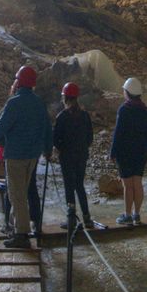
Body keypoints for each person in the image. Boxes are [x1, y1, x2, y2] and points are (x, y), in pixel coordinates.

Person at [0, 66, 52, 249]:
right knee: (22, 191)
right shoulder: (39, 103)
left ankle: (21, 234)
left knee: (17, 195)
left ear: (19, 81)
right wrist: (47, 149)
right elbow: (47, 128)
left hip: (15, 154)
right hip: (33, 155)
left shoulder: (14, 103)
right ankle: (15, 226)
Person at [52, 83, 94, 229]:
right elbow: (90, 138)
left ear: (65, 98)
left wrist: (60, 149)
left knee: (69, 186)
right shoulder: (85, 116)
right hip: (81, 155)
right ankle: (87, 218)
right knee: (79, 185)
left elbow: (56, 139)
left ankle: (71, 219)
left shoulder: (62, 117)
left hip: (67, 157)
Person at [110, 77, 147, 225]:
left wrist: (113, 152)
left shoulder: (124, 109)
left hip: (125, 152)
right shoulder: (145, 110)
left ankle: (127, 215)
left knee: (128, 185)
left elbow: (118, 133)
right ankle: (137, 214)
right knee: (138, 183)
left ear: (127, 92)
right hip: (140, 152)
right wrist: (146, 151)